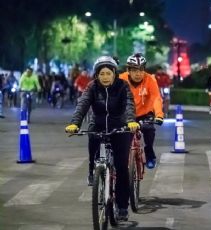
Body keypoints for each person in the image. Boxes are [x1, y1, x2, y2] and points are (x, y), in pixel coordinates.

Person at [65, 56, 139, 221]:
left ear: (114, 73)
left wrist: (131, 121)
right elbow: (82, 104)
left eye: (108, 73)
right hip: (98, 124)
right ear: (96, 75)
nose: (105, 76)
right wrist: (75, 123)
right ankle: (93, 169)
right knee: (92, 139)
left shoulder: (122, 86)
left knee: (121, 169)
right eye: (102, 73)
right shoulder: (92, 87)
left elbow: (129, 104)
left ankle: (121, 206)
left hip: (120, 127)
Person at [119, 53, 164, 169]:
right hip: (126, 115)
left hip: (145, 114)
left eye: (141, 70)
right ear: (128, 70)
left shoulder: (150, 80)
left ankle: (149, 153)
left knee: (149, 130)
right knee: (123, 139)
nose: (138, 74)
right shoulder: (121, 79)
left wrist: (159, 115)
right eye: (134, 70)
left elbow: (156, 98)